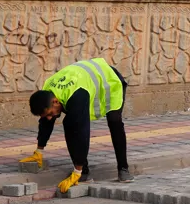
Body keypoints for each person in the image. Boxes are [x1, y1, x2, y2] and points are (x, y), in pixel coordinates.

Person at [22, 58, 134, 193]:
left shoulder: (77, 96)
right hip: (86, 80)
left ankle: (123, 168)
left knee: (114, 121)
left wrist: (76, 170)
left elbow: (82, 132)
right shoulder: (47, 91)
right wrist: (39, 150)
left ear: (56, 102)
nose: (50, 117)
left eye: (50, 113)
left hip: (110, 81)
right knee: (69, 123)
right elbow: (46, 121)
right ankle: (85, 173)